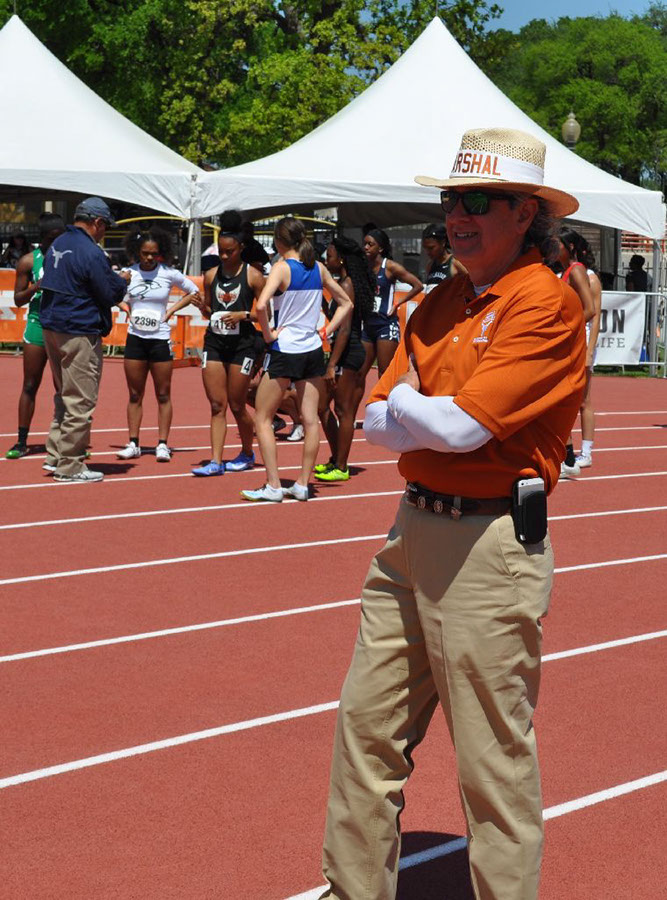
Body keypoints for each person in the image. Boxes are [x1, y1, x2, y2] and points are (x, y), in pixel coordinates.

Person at [318, 127, 586, 900]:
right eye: (448, 200)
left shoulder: (544, 304)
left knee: (491, 764)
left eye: (475, 200)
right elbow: (375, 420)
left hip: (489, 546)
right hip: (410, 532)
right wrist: (414, 407)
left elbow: (458, 429)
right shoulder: (439, 300)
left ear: (524, 212)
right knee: (364, 736)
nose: (455, 216)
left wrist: (412, 404)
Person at [241, 216, 352, 502]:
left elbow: (262, 304)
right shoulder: (318, 268)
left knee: (263, 417)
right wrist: (326, 329)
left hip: (285, 349)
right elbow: (346, 304)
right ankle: (302, 483)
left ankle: (274, 485)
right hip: (312, 349)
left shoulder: (281, 268)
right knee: (311, 418)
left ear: (279, 241)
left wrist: (268, 336)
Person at [39, 197, 130, 482]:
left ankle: (56, 456)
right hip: (78, 328)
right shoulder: (91, 252)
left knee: (64, 395)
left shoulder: (60, 242)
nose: (104, 232)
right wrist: (123, 280)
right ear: (97, 223)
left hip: (52, 326)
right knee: (80, 399)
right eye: (105, 227)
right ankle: (70, 465)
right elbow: (109, 291)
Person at [116, 227, 201, 462]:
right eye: (145, 253)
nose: (150, 258)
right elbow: (111, 292)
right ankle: (133, 443)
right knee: (135, 394)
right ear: (137, 252)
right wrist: (126, 309)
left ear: (160, 252)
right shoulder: (128, 273)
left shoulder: (168, 274)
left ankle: (162, 444)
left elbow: (193, 291)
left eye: (154, 253)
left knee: (163, 394)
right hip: (135, 338)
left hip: (160, 339)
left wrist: (172, 310)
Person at [192, 210, 266, 476]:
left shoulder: (253, 276)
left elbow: (267, 312)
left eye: (230, 252)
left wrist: (244, 315)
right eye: (221, 252)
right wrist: (203, 308)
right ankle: (215, 460)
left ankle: (247, 451)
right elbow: (211, 311)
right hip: (214, 343)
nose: (225, 256)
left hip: (242, 346)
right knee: (216, 404)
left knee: (237, 404)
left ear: (240, 248)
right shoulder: (211, 275)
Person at [5, 214, 65, 459]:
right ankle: (21, 442)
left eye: (62, 236)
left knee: (65, 387)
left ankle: (70, 442)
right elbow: (18, 300)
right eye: (53, 237)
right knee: (30, 384)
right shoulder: (29, 261)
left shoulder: (69, 258)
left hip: (63, 325)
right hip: (38, 323)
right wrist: (36, 286)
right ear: (43, 238)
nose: (58, 241)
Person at [315, 236, 375, 482]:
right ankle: (336, 458)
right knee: (321, 407)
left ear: (340, 258)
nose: (326, 260)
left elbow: (346, 329)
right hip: (344, 351)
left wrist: (331, 365)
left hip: (349, 352)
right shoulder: (343, 283)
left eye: (329, 256)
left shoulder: (348, 284)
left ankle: (341, 465)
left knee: (343, 409)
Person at [556, 227, 596, 478]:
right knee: (560, 401)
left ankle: (569, 459)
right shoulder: (562, 272)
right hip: (566, 343)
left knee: (566, 400)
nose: (552, 248)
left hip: (573, 344)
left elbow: (590, 309)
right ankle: (567, 458)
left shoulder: (577, 270)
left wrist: (564, 329)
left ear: (569, 247)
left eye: (556, 244)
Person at [362, 228, 423, 377]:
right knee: (359, 372)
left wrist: (397, 303)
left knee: (384, 373)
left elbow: (418, 285)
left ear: (380, 248)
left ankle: (387, 400)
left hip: (385, 325)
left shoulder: (390, 267)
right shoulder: (364, 266)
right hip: (368, 324)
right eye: (365, 244)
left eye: (370, 244)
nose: (366, 247)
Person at [421, 221, 465, 291]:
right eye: (425, 248)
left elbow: (474, 282)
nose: (427, 252)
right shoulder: (430, 265)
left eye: (431, 248)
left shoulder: (455, 262)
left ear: (443, 243)